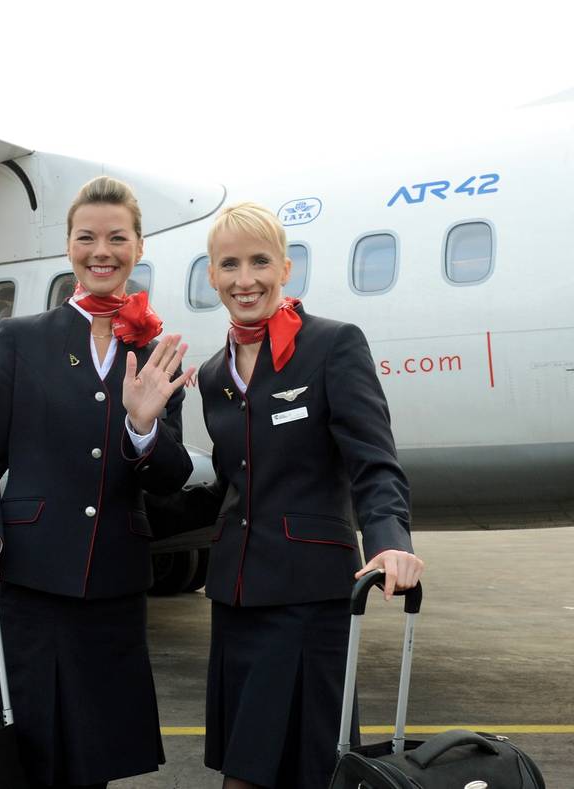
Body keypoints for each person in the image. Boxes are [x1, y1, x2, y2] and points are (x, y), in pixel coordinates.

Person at [0, 175, 196, 789]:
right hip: (31, 584)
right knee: (23, 762)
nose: (101, 251)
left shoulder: (158, 352)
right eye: (87, 237)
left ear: (139, 247)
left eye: (117, 238)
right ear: (69, 247)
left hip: (113, 588)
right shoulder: (21, 340)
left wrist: (144, 426)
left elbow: (171, 478)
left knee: (94, 765)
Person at [190, 202, 425, 789]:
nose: (245, 279)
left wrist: (390, 541)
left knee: (303, 771)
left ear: (286, 268)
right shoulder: (215, 374)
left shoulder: (332, 345)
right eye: (229, 265)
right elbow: (230, 484)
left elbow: (373, 461)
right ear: (212, 275)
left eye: (260, 261)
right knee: (247, 768)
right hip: (235, 599)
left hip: (308, 594)